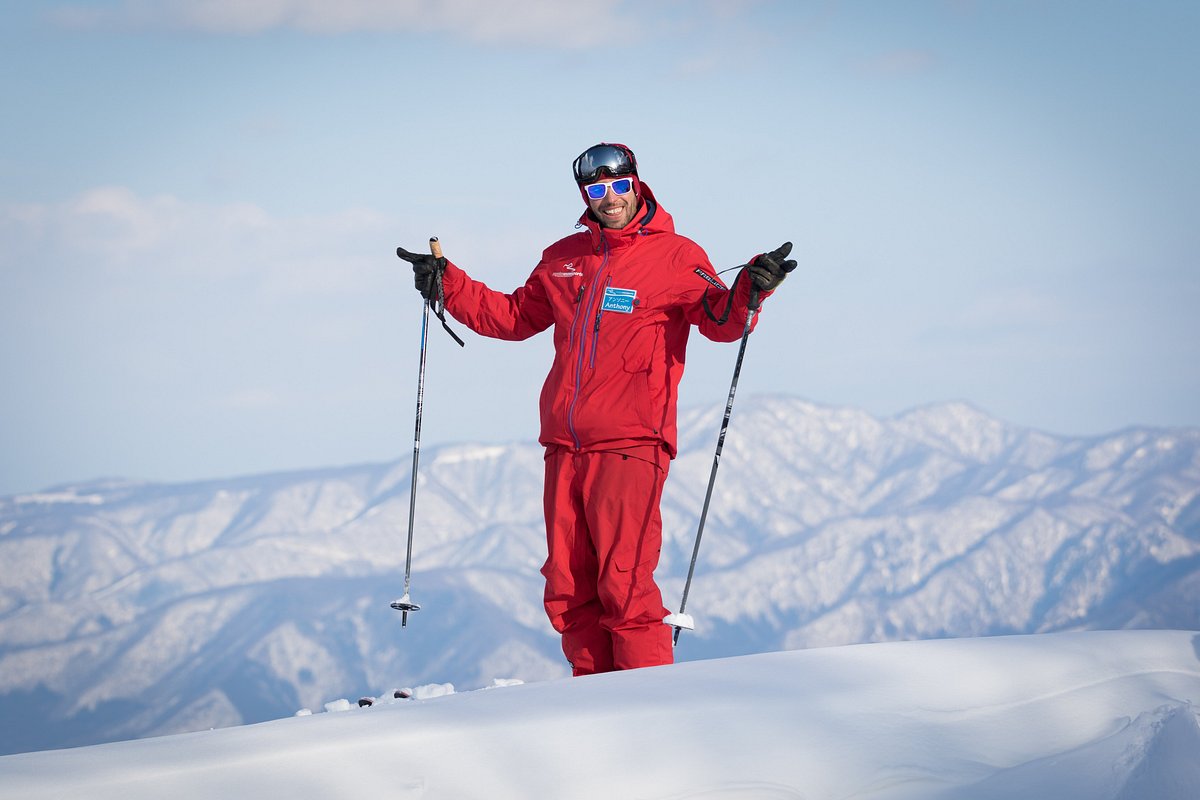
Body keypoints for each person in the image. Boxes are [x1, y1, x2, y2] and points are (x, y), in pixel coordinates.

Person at [396, 142, 795, 676]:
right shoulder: (564, 258)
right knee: (567, 588)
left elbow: (722, 319)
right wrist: (449, 284)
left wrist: (752, 287)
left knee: (624, 584)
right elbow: (514, 316)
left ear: (637, 185)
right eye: (596, 189)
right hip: (564, 445)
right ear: (586, 194)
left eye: (618, 185)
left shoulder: (677, 256)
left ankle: (645, 704)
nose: (609, 197)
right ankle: (591, 701)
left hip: (633, 443)